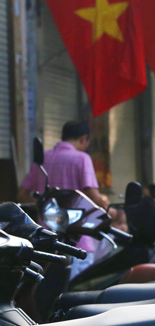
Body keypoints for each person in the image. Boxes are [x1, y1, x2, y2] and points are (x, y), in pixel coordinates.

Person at [17, 120, 108, 280]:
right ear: (83, 139)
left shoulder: (43, 158)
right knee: (75, 292)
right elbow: (93, 196)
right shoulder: (82, 158)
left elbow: (22, 195)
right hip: (77, 242)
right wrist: (105, 201)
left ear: (62, 136)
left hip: (44, 241)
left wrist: (43, 205)